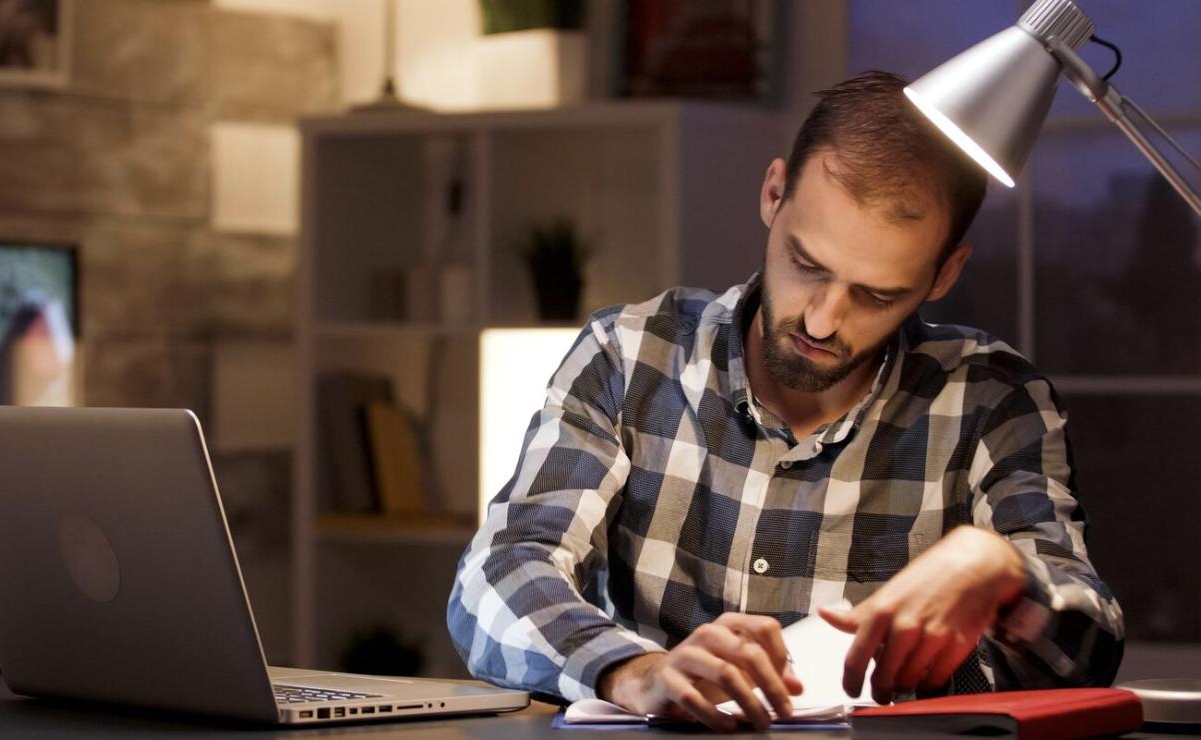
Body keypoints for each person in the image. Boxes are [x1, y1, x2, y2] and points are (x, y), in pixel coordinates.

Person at [446, 71, 1123, 732]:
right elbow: (498, 574)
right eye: (806, 262)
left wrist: (1007, 576)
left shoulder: (992, 403)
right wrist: (633, 670)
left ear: (943, 273)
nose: (824, 321)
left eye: (878, 294)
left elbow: (1089, 653)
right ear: (774, 194)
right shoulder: (630, 358)